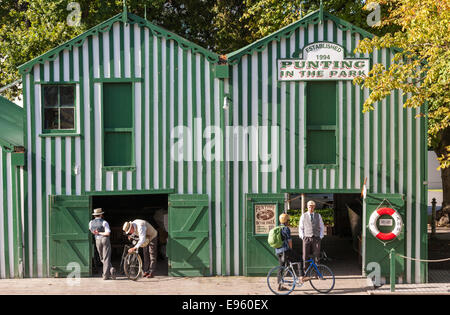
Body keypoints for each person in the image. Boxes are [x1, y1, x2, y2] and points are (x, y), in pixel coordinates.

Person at [276, 213, 304, 289]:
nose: (289, 222)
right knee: (299, 259)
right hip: (285, 250)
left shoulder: (277, 227)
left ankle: (280, 285)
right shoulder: (286, 228)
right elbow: (289, 241)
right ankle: (302, 277)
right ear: (286, 221)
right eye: (288, 220)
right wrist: (291, 249)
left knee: (281, 267)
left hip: (278, 251)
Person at [89, 208, 115, 280]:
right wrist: (100, 233)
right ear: (101, 215)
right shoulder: (104, 222)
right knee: (105, 258)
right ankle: (109, 270)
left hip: (97, 240)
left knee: (102, 258)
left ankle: (106, 273)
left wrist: (96, 233)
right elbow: (107, 233)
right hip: (104, 239)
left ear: (95, 215)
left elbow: (91, 230)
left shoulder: (91, 222)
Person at [298, 200, 324, 269]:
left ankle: (317, 273)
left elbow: (322, 226)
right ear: (307, 207)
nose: (311, 208)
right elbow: (301, 228)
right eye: (309, 207)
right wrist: (302, 237)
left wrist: (320, 236)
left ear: (314, 207)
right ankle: (305, 272)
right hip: (306, 237)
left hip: (316, 237)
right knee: (305, 255)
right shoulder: (303, 216)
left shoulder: (318, 216)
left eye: (312, 207)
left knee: (317, 255)